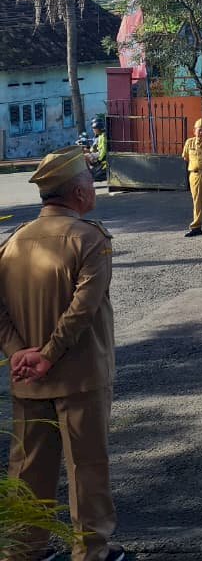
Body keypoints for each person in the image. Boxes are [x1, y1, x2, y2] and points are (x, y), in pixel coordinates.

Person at [0, 147, 125, 561]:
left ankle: (21, 551)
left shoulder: (13, 242)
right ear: (77, 192)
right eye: (89, 183)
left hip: (27, 379)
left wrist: (21, 354)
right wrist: (49, 355)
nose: (92, 190)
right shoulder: (89, 239)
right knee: (86, 467)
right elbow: (82, 309)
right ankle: (91, 552)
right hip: (80, 377)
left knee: (27, 469)